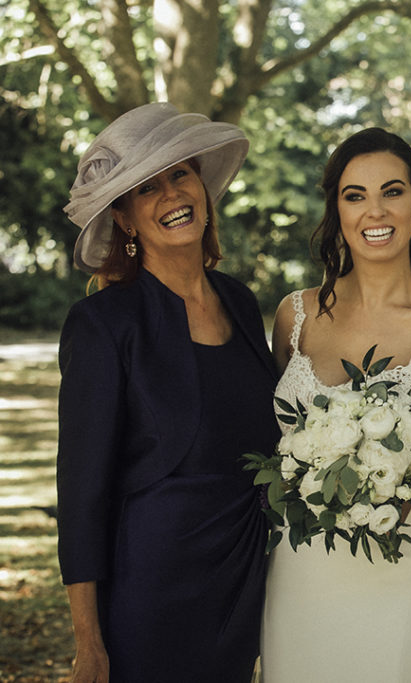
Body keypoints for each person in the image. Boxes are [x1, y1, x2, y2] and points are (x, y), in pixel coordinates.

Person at [259, 127, 411, 682]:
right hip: (300, 574)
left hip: (406, 576)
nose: (375, 210)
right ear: (336, 210)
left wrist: (402, 489)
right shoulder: (293, 317)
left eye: (391, 192)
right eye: (354, 195)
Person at [57, 102, 279, 682]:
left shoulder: (240, 300)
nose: (171, 195)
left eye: (180, 174)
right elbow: (82, 497)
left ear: (201, 186)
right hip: (152, 590)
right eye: (146, 188)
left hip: (245, 575)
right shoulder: (103, 324)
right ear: (126, 220)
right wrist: (89, 645)